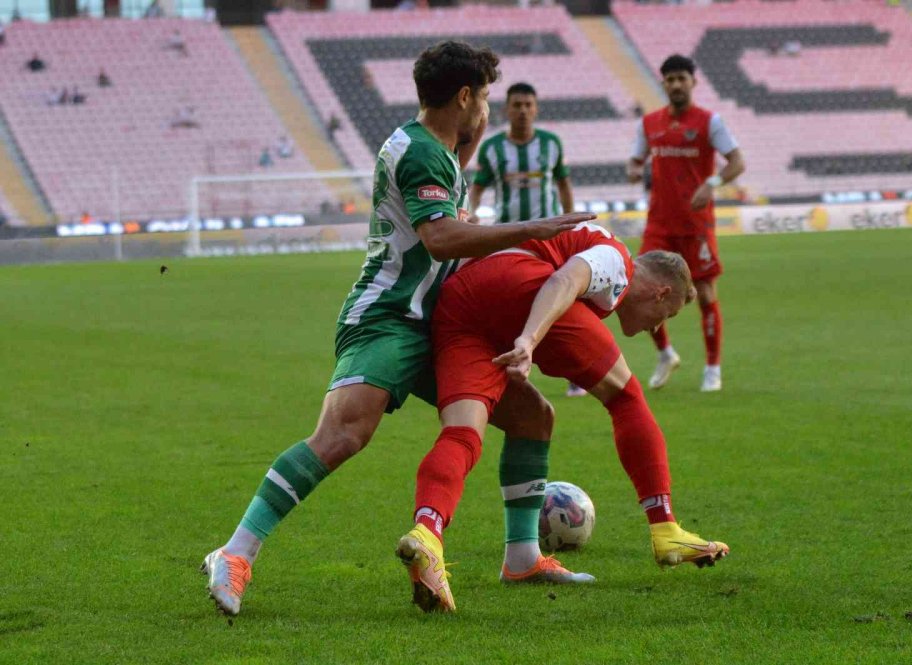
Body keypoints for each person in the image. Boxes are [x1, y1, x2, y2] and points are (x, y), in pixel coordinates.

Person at [200, 41, 593, 617]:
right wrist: (532, 229)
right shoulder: (418, 154)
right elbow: (441, 238)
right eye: (483, 97)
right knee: (342, 435)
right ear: (464, 96)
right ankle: (234, 553)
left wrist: (476, 132)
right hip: (388, 317)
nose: (488, 108)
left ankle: (523, 556)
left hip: (440, 324)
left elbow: (456, 187)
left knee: (532, 416)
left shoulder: (437, 147)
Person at [396, 223, 730, 612]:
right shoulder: (615, 256)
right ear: (662, 292)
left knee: (472, 431)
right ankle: (666, 528)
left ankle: (431, 535)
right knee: (626, 398)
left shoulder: (588, 259)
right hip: (520, 284)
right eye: (664, 315)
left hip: (459, 300)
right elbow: (564, 280)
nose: (656, 327)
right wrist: (529, 340)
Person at [628, 54, 745, 392]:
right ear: (663, 83)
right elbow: (634, 161)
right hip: (659, 225)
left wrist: (712, 184)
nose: (676, 84)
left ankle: (712, 367)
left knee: (705, 293)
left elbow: (737, 161)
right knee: (642, 291)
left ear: (694, 82)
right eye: (670, 79)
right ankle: (665, 354)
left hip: (697, 226)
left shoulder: (710, 122)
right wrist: (634, 170)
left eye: (682, 78)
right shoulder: (649, 124)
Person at [469, 82, 585, 397]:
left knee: (563, 302)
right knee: (513, 301)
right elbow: (478, 185)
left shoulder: (551, 144)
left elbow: (563, 184)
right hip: (509, 236)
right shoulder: (492, 148)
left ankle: (577, 372)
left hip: (549, 238)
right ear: (507, 108)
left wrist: (570, 219)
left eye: (527, 105)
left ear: (536, 108)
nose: (522, 110)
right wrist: (471, 211)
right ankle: (513, 368)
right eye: (516, 105)